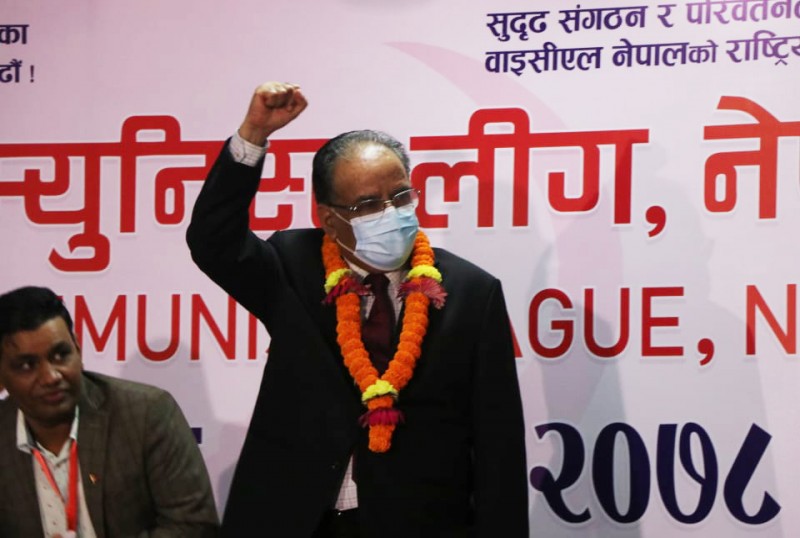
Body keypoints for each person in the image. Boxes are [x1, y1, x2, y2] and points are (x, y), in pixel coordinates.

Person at [187, 82, 528, 537]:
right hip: (295, 519)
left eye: (401, 197)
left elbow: (498, 446)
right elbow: (212, 241)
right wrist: (252, 136)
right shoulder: (292, 265)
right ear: (330, 219)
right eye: (368, 205)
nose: (391, 213)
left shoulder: (472, 293)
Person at [0, 286, 220, 538]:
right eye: (27, 365)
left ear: (78, 350)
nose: (51, 377)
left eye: (60, 355)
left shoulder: (147, 414)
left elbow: (194, 526)